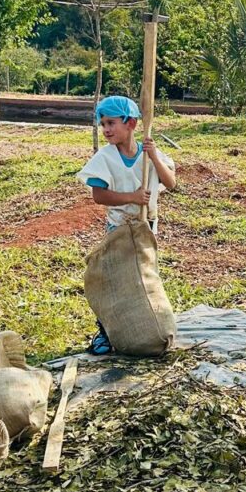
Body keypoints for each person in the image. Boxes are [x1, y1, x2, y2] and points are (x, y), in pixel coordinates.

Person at [78, 95, 176, 355]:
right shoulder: (106, 157)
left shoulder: (149, 154)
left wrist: (154, 157)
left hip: (147, 228)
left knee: (145, 277)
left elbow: (172, 182)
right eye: (103, 124)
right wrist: (131, 197)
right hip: (119, 228)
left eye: (111, 123)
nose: (106, 129)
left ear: (131, 123)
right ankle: (106, 333)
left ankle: (148, 327)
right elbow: (98, 195)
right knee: (116, 281)